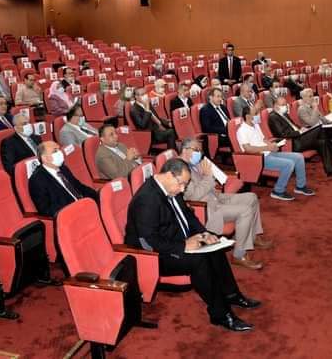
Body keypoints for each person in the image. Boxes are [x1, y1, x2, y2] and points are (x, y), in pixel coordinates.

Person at [125, 158, 261, 332]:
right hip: (154, 254)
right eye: (181, 184)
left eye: (185, 184)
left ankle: (232, 295)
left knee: (215, 246)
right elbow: (148, 241)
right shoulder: (147, 200)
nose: (183, 189)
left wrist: (205, 234)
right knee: (199, 260)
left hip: (173, 241)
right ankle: (221, 314)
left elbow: (188, 216)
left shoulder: (171, 188)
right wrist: (183, 246)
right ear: (169, 175)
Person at [178, 138, 272, 270]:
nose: (199, 153)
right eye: (196, 150)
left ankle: (252, 236)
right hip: (206, 209)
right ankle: (239, 255)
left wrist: (211, 182)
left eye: (200, 150)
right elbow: (193, 196)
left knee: (252, 197)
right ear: (185, 150)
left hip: (214, 198)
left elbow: (203, 185)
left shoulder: (192, 164)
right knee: (245, 210)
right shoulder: (180, 168)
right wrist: (208, 177)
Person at [238, 107, 316, 201]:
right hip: (259, 158)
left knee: (299, 157)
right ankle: (278, 191)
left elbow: (263, 139)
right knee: (289, 164)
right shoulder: (242, 130)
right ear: (247, 116)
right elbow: (248, 149)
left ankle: (300, 186)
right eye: (255, 114)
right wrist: (268, 148)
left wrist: (272, 145)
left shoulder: (255, 125)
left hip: (268, 152)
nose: (258, 115)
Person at [268, 97, 332, 178]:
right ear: (276, 105)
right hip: (292, 143)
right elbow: (283, 134)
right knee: (320, 129)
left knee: (322, 142)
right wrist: (299, 132)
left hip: (299, 138)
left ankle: (331, 170)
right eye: (283, 105)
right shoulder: (273, 117)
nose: (285, 106)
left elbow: (293, 126)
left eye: (285, 104)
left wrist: (302, 129)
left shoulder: (284, 114)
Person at [28, 141, 99, 217]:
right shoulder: (37, 180)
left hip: (84, 205)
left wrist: (97, 196)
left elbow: (79, 186)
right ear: (45, 158)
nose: (60, 153)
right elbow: (46, 210)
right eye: (55, 151)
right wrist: (76, 208)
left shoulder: (63, 168)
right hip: (70, 214)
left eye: (59, 149)